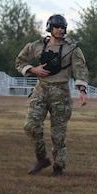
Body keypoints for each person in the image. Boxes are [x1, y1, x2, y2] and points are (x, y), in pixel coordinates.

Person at [15, 14, 89, 177]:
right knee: (31, 126)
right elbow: (20, 62)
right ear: (50, 28)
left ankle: (59, 166)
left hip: (61, 92)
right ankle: (42, 158)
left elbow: (80, 69)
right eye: (57, 27)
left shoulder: (73, 49)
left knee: (58, 133)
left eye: (63, 27)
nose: (60, 30)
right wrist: (34, 69)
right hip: (41, 89)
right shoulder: (36, 46)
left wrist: (82, 91)